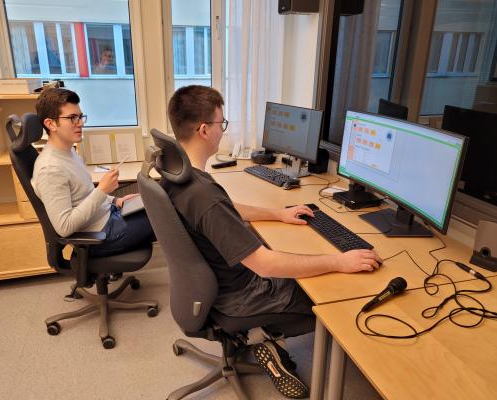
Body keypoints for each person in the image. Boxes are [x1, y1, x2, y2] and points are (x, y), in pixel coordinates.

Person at [164, 85, 383, 399]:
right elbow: (265, 265)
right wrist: (339, 261)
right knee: (328, 292)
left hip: (217, 282)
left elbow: (225, 210)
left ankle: (261, 337)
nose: (222, 131)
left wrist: (277, 214)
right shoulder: (202, 192)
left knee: (306, 266)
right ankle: (259, 335)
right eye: (220, 124)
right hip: (240, 294)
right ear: (203, 130)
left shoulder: (181, 173)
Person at [31, 88, 154, 257]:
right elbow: (64, 227)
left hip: (109, 216)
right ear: (50, 124)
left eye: (80, 116)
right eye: (72, 118)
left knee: (157, 204)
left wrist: (116, 200)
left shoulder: (69, 151)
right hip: (101, 235)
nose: (80, 123)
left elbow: (84, 194)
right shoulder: (50, 169)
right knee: (168, 215)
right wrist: (102, 190)